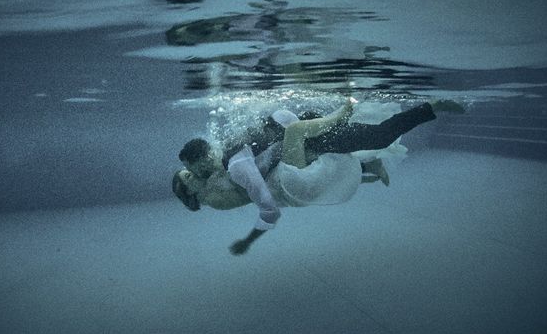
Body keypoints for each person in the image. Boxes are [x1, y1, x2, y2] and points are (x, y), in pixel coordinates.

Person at [173, 99, 464, 254]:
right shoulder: (221, 176)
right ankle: (367, 156)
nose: (196, 176)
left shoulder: (232, 165)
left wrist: (248, 241)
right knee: (357, 145)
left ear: (204, 160)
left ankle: (431, 108)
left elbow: (266, 186)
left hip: (307, 150)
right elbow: (263, 188)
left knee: (376, 138)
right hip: (301, 160)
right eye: (191, 176)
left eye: (192, 171)